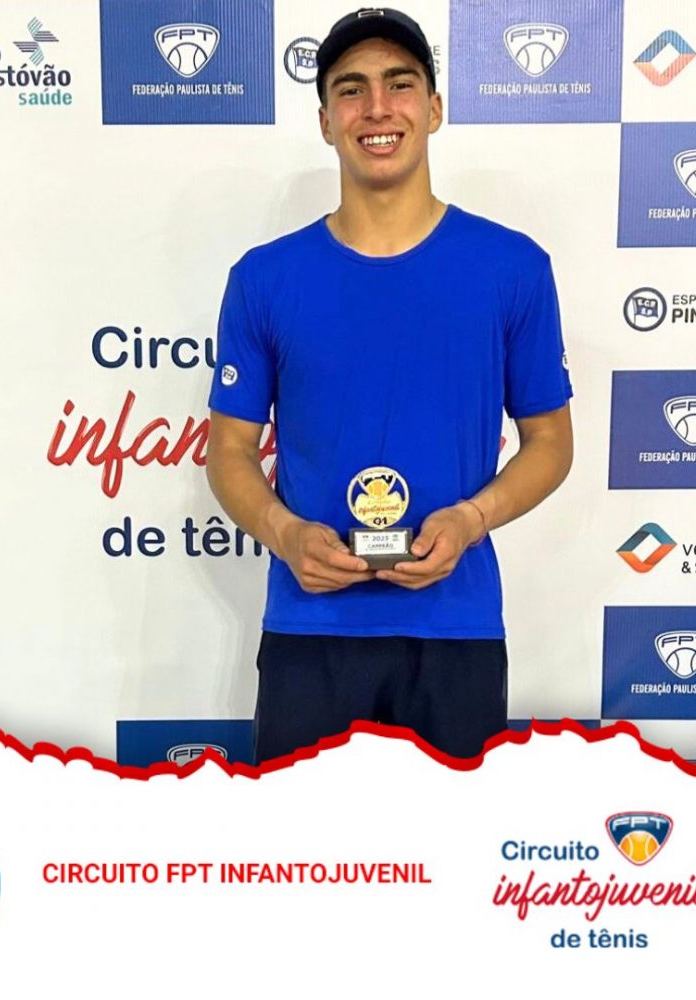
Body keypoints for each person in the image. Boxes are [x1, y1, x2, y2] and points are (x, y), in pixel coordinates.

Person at [205, 8, 573, 763]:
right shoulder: (264, 278)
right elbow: (229, 451)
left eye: (400, 85)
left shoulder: (513, 267)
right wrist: (284, 533)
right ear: (325, 121)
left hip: (455, 633)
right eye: (351, 90)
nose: (377, 108)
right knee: (303, 842)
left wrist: (470, 519)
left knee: (454, 842)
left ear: (433, 109)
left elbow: (550, 443)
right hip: (310, 631)